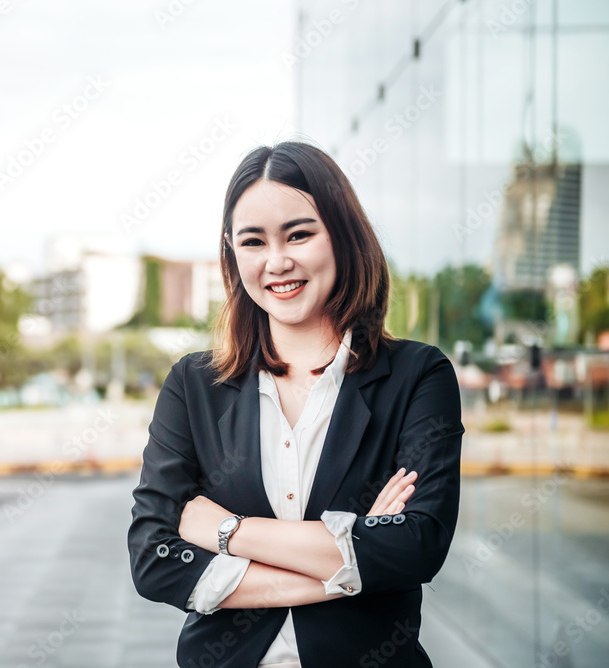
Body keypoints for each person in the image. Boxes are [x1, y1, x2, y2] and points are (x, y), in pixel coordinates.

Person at [127, 140, 464, 667]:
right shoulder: (194, 385)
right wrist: (350, 560)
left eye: (300, 234)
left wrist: (227, 531)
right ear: (232, 253)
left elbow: (414, 546)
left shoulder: (418, 376)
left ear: (344, 236)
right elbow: (155, 559)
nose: (277, 262)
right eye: (253, 241)